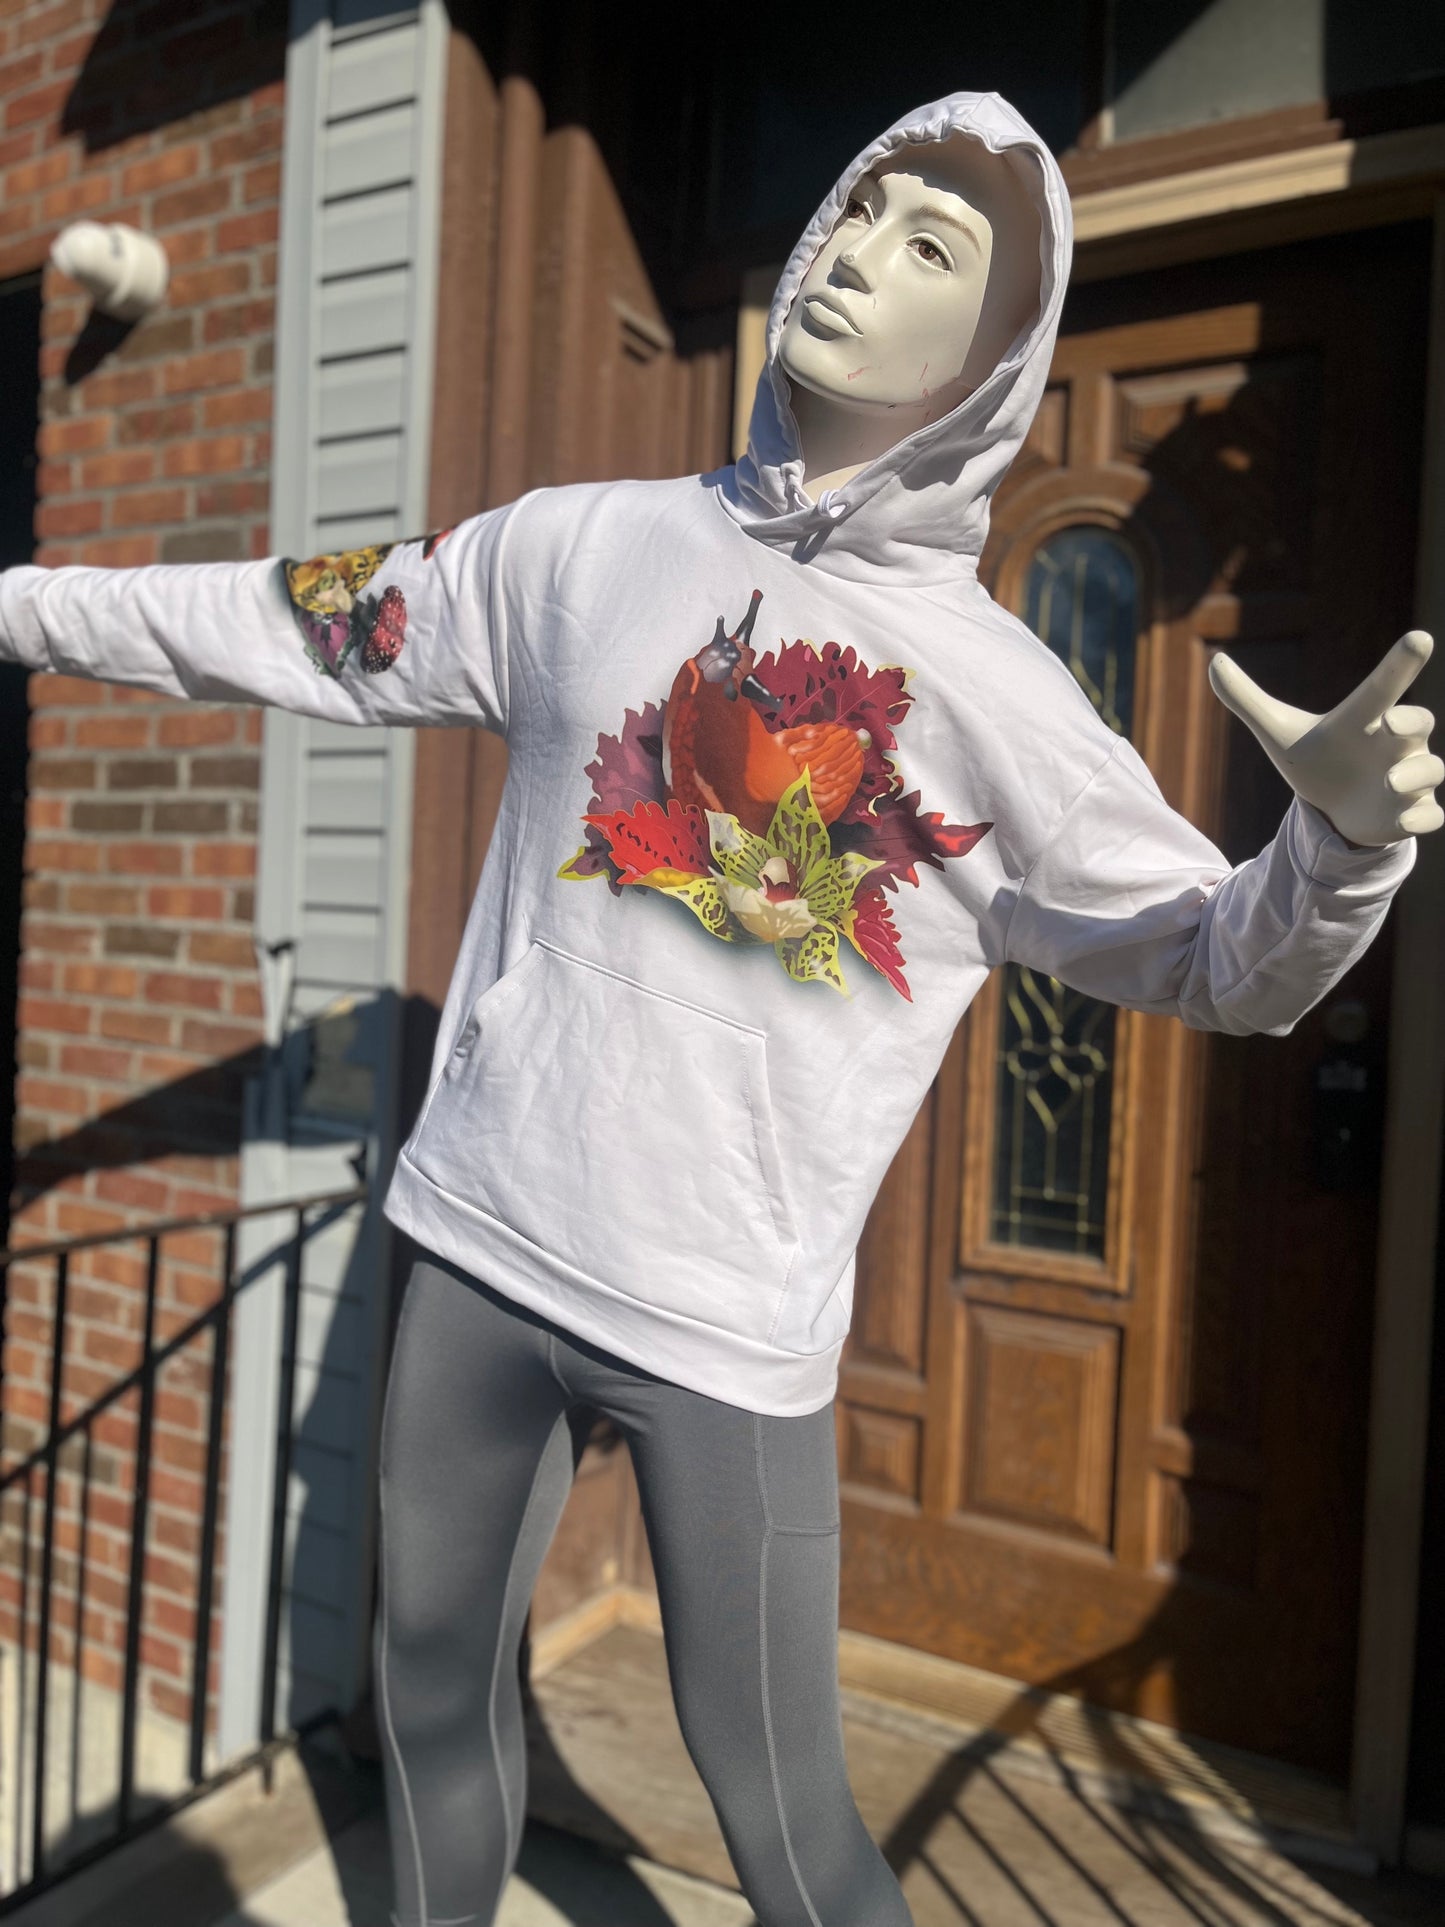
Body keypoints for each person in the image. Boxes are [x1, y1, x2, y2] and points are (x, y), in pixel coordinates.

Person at [2, 91, 1439, 1927]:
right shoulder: (575, 550)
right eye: (858, 207)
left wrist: (1335, 849)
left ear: (1001, 353)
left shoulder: (998, 700)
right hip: (475, 1246)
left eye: (935, 247)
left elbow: (1222, 962)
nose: (858, 251)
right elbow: (294, 621)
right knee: (428, 1708)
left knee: (782, 1817)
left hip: (723, 1332)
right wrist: (26, 604)